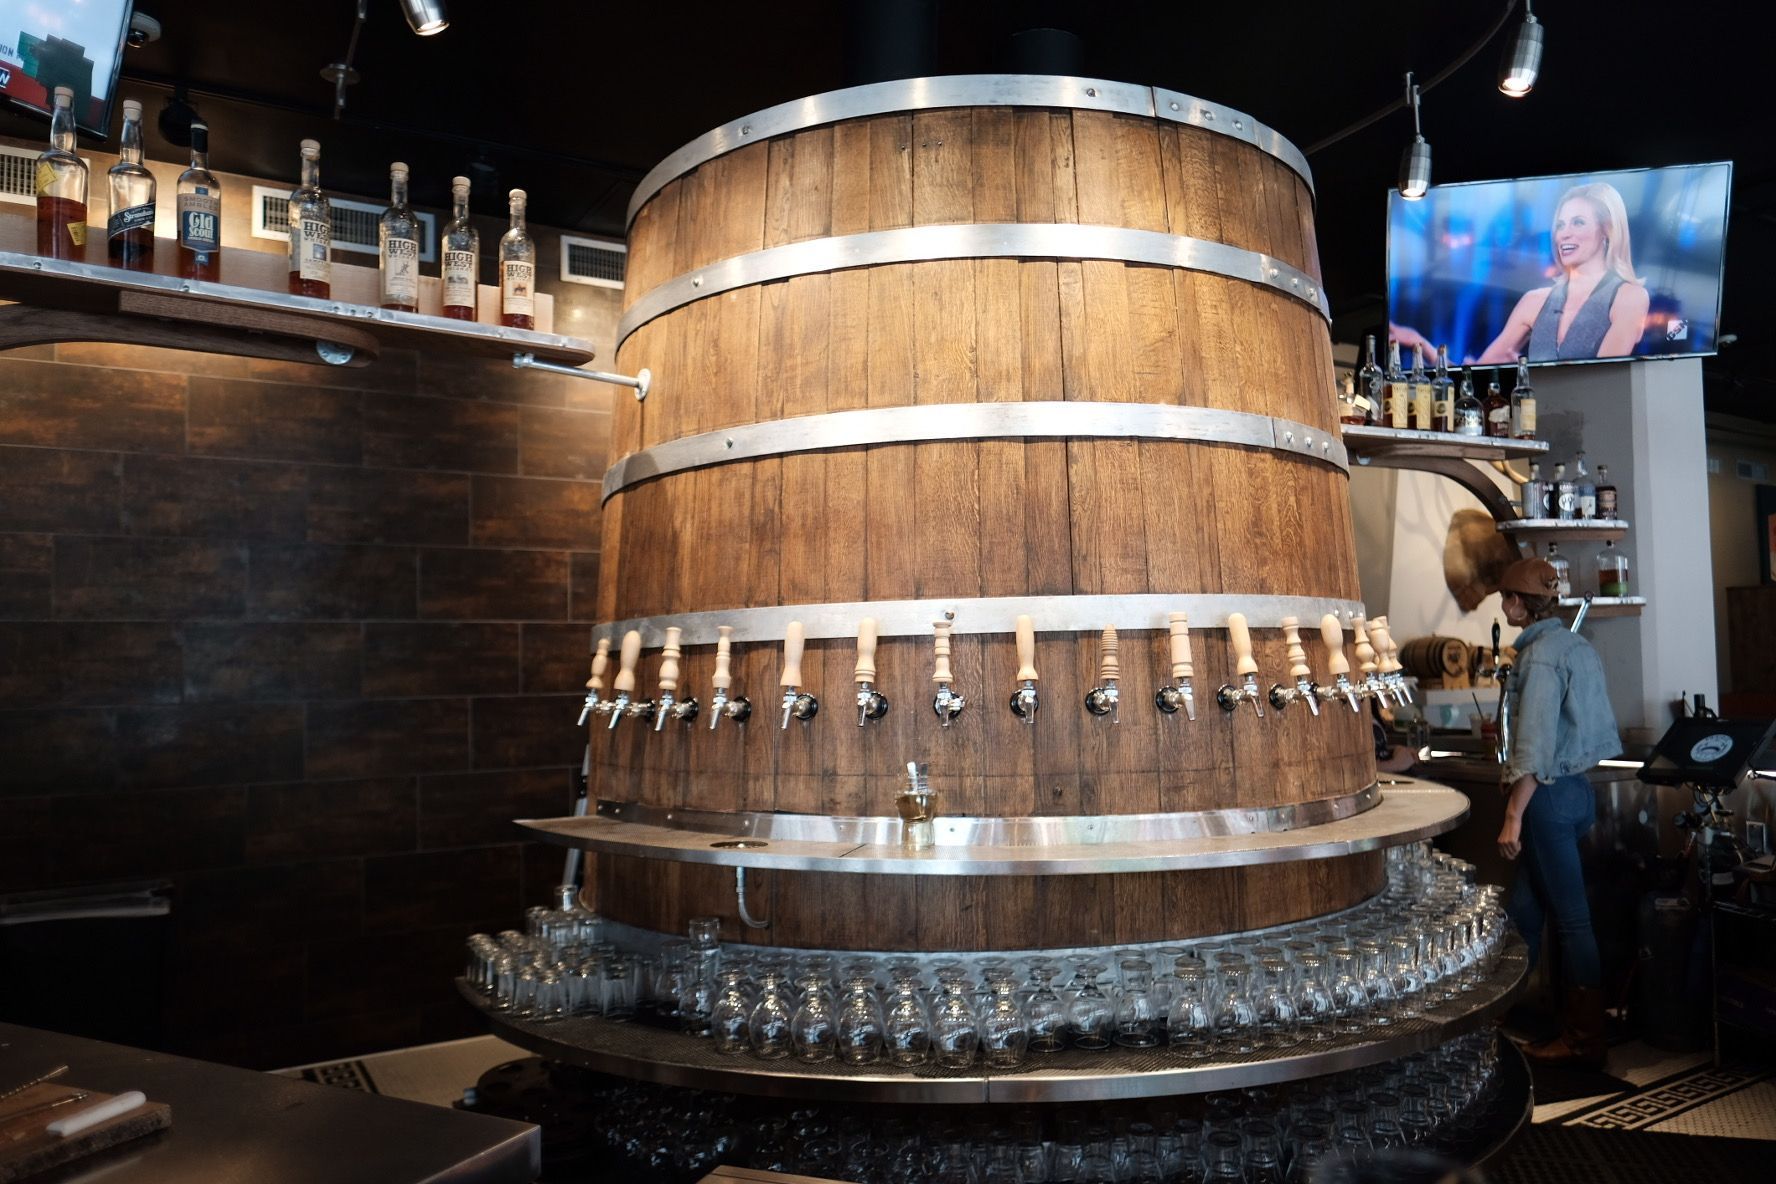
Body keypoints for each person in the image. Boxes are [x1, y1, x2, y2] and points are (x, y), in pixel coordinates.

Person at [1495, 557, 1622, 1067]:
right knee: (1524, 914)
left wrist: (1513, 815)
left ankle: (1584, 1041)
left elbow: (1535, 746)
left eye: (1506, 597)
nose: (1503, 606)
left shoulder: (1540, 658)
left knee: (1572, 922)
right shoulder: (1576, 645)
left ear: (1520, 602)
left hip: (1546, 798)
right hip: (1578, 791)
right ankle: (1491, 1021)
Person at [1476, 182, 1651, 363]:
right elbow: (1482, 368)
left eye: (1578, 222)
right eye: (1560, 225)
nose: (1564, 234)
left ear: (1607, 229)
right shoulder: (1533, 301)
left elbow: (1605, 373)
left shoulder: (1630, 297)